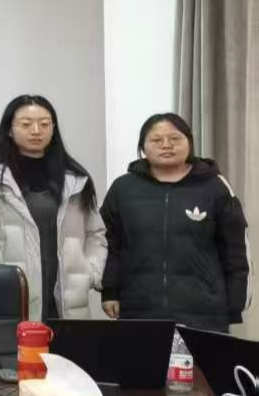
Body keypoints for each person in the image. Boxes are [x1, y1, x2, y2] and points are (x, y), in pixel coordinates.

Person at [101, 113, 250, 332]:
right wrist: (110, 291)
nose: (166, 145)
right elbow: (110, 245)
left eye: (175, 139)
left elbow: (235, 248)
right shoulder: (122, 189)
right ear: (142, 147)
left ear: (189, 143)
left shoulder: (215, 186)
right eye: (156, 140)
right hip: (138, 309)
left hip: (204, 313)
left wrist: (235, 302)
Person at [0, 95, 107, 321]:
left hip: (68, 297)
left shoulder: (75, 179)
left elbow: (95, 233)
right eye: (26, 124)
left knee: (68, 344)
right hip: (11, 290)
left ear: (53, 129)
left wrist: (90, 272)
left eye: (44, 124)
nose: (36, 131)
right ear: (9, 130)